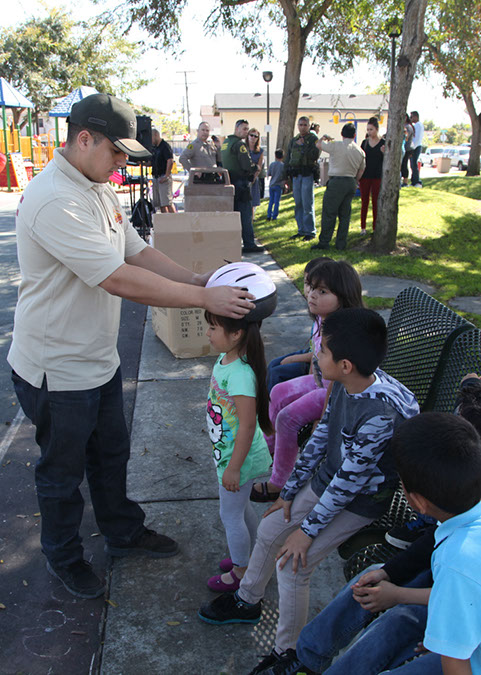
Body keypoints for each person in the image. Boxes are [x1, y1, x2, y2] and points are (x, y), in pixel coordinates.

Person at [7, 93, 256, 601]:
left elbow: (135, 250)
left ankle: (121, 532)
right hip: (58, 368)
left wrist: (193, 276)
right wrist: (202, 297)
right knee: (62, 471)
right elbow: (119, 279)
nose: (124, 162)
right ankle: (63, 556)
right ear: (84, 139)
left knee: (111, 454)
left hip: (97, 359)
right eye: (117, 151)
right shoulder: (56, 197)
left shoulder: (94, 185)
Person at [198, 308, 419, 675]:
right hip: (330, 482)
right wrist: (287, 491)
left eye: (323, 351)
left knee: (292, 565)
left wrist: (305, 532)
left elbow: (350, 484)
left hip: (360, 501)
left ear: (345, 364)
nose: (316, 355)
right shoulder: (344, 383)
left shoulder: (379, 413)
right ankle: (247, 599)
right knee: (270, 530)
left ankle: (292, 656)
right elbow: (320, 438)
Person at [252, 260, 364, 503]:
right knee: (279, 390)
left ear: (343, 296)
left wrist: (323, 417)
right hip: (320, 382)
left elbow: (339, 382)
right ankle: (266, 448)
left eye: (322, 291)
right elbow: (316, 359)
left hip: (336, 393)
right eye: (311, 288)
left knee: (287, 417)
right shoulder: (322, 320)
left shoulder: (341, 333)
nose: (312, 295)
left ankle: (279, 483)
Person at [203, 265, 275, 594]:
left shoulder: (242, 373)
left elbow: (247, 424)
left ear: (236, 334)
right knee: (241, 510)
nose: (208, 333)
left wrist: (234, 467)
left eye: (213, 327)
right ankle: (255, 556)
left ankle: (242, 570)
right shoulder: (227, 358)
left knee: (230, 516)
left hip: (239, 459)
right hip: (232, 455)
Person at [311, 124, 365, 251]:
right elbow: (362, 170)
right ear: (354, 135)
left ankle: (324, 242)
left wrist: (324, 137)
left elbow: (318, 144)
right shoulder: (360, 151)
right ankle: (341, 243)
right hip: (351, 181)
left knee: (329, 213)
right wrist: (355, 181)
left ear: (342, 134)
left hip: (336, 181)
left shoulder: (336, 145)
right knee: (345, 215)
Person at [221, 119, 264, 254]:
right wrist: (255, 167)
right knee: (245, 215)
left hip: (229, 182)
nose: (246, 132)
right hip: (241, 183)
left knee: (232, 215)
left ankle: (232, 243)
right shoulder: (239, 144)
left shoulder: (226, 143)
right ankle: (249, 243)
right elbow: (246, 165)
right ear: (237, 129)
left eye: (247, 129)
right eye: (244, 129)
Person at [285, 116, 320, 241]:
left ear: (309, 126)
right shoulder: (294, 140)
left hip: (307, 174)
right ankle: (301, 230)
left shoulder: (313, 139)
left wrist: (304, 145)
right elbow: (288, 158)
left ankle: (310, 231)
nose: (302, 127)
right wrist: (285, 177)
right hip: (296, 175)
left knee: (307, 204)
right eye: (300, 125)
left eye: (305, 125)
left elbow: (315, 154)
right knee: (298, 203)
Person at [359, 117, 385, 234]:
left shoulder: (383, 143)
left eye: (371, 129)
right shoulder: (364, 143)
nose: (369, 132)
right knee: (364, 202)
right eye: (368, 129)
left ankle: (375, 227)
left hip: (377, 176)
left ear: (377, 129)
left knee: (376, 202)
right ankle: (363, 227)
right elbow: (360, 159)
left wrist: (385, 153)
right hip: (365, 176)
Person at [151, 128, 175, 213]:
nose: (151, 141)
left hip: (163, 177)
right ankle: (165, 222)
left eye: (151, 138)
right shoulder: (155, 148)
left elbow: (170, 160)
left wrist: (166, 175)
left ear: (156, 135)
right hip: (156, 177)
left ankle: (176, 221)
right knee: (161, 203)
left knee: (167, 202)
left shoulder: (164, 146)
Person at [247, 128, 264, 219]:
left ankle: (251, 219)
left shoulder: (259, 151)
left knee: (253, 201)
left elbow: (259, 166)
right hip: (244, 176)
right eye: (251, 135)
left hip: (254, 177)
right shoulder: (243, 148)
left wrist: (254, 177)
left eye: (255, 136)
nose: (253, 138)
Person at [267, 149, 285, 222]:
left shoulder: (272, 164)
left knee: (271, 201)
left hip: (272, 185)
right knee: (277, 201)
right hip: (279, 185)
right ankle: (274, 216)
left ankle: (269, 215)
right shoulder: (283, 166)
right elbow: (284, 175)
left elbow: (269, 174)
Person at [409, 111, 424, 188]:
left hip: (416, 147)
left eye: (411, 117)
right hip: (416, 146)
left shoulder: (418, 125)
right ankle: (413, 180)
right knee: (412, 164)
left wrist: (412, 148)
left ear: (415, 117)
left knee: (414, 164)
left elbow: (416, 138)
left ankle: (417, 181)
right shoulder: (417, 125)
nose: (410, 119)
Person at [401, 113, 415, 188]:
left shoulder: (408, 127)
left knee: (404, 164)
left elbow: (406, 138)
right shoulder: (403, 126)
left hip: (407, 148)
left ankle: (405, 181)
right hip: (403, 148)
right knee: (402, 164)